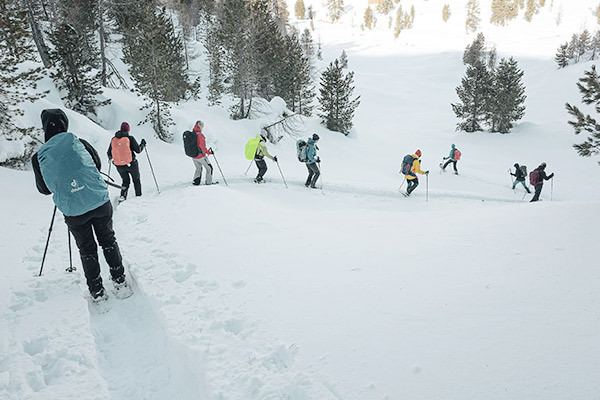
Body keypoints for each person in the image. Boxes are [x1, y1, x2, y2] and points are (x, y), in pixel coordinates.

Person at [32, 109, 129, 302]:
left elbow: (44, 189)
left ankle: (97, 291)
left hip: (73, 210)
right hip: (99, 201)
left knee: (86, 249)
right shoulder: (79, 142)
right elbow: (97, 165)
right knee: (108, 240)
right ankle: (119, 280)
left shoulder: (39, 156)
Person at [107, 122, 146, 202]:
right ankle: (138, 197)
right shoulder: (130, 138)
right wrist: (142, 144)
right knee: (136, 180)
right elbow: (138, 150)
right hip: (131, 164)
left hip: (119, 166)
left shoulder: (114, 139)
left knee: (125, 181)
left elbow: (109, 153)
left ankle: (123, 196)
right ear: (128, 130)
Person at [191, 120, 213, 185]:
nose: (203, 127)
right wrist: (209, 153)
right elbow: (202, 147)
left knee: (198, 168)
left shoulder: (192, 133)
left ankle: (196, 182)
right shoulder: (200, 135)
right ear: (199, 125)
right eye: (202, 125)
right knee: (209, 168)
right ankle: (209, 183)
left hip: (194, 156)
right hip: (200, 156)